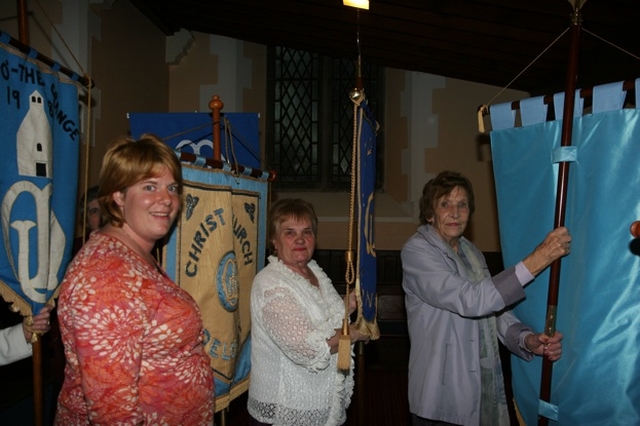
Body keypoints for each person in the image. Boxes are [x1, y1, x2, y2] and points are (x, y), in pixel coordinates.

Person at [55, 134, 214, 425]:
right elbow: (112, 412)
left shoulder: (133, 253)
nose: (166, 199)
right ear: (118, 195)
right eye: (150, 187)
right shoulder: (106, 276)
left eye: (172, 188)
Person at [402, 170, 571, 426]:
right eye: (445, 204)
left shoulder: (471, 252)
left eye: (462, 205)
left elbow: (495, 311)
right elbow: (471, 300)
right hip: (442, 390)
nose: (455, 213)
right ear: (430, 213)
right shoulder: (417, 250)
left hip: (482, 387)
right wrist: (538, 259)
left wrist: (527, 340)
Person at [248, 198, 370, 426]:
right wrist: (354, 332)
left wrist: (351, 303)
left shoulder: (313, 271)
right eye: (289, 233)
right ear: (274, 241)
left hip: (323, 402)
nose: (300, 239)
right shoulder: (270, 284)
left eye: (307, 231)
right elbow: (307, 347)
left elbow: (324, 317)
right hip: (286, 409)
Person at [71, 185, 103, 255]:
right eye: (95, 212)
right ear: (85, 221)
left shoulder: (126, 245)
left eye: (107, 210)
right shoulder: (74, 249)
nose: (102, 216)